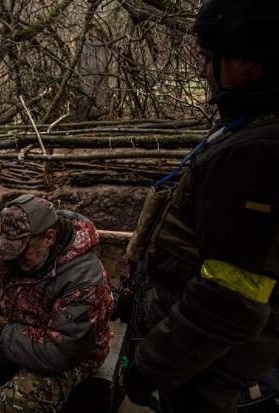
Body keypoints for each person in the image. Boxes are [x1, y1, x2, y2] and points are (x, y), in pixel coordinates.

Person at [123, 1, 279, 412]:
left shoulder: (258, 151)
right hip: (207, 357)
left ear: (247, 62)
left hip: (213, 371)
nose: (203, 72)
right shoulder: (249, 128)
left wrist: (150, 364)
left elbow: (229, 298)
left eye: (210, 59)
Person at [0, 195, 113, 412]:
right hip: (13, 333)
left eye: (22, 251)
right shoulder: (15, 244)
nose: (14, 258)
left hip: (69, 358)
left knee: (23, 394)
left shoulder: (85, 279)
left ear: (49, 238)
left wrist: (3, 336)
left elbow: (61, 351)